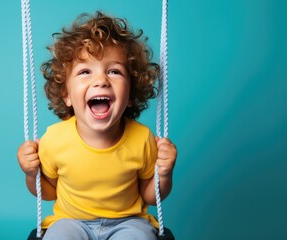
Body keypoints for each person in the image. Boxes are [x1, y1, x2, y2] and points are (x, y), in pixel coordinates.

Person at [17, 11, 177, 240]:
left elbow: (151, 197)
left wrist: (165, 172)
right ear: (66, 95)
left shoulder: (142, 138)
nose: (101, 80)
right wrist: (31, 174)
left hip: (128, 223)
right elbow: (49, 192)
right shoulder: (55, 138)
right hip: (71, 222)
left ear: (130, 93)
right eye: (84, 72)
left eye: (114, 71)